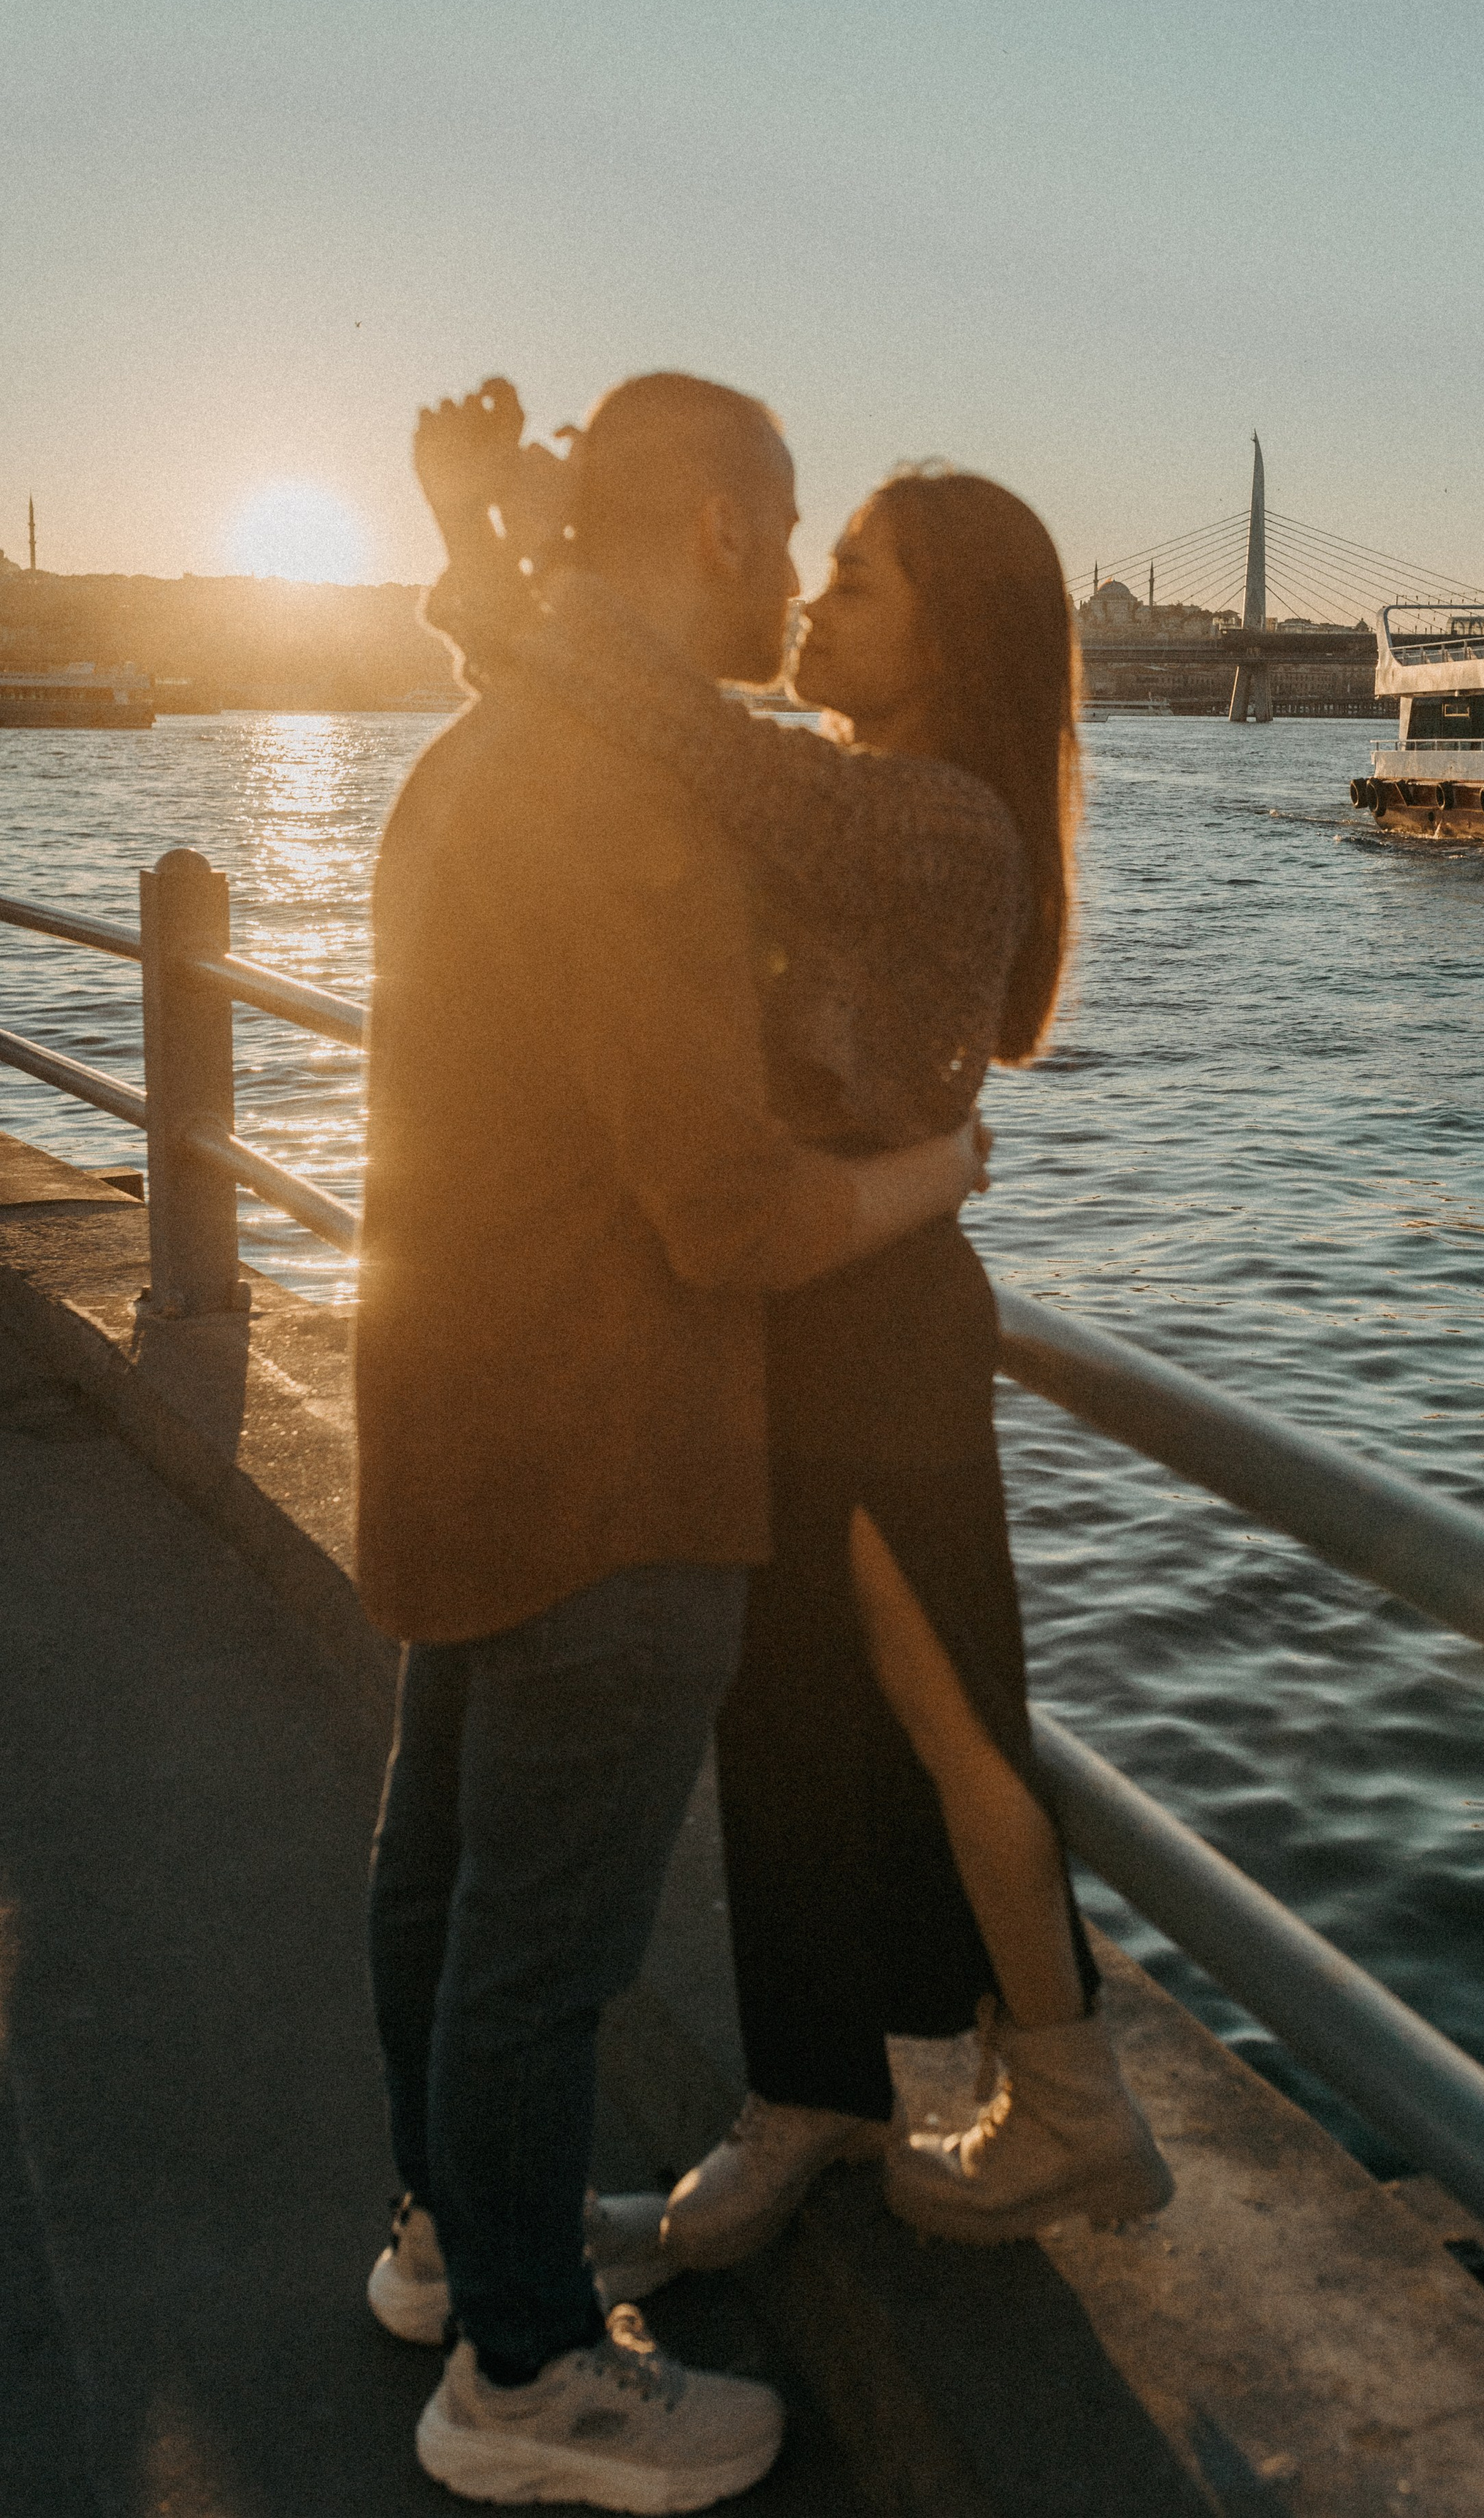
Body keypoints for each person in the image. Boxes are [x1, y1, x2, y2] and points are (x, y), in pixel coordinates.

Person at [424, 416, 1173, 2270]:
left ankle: (1074, 2099)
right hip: (785, 1300)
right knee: (784, 1729)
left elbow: (658, 721)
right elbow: (604, 726)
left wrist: (547, 546)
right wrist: (491, 543)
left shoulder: (934, 817)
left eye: (853, 576)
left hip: (875, 1326)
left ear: (953, 632)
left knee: (942, 1714)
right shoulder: (840, 790)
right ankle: (814, 2091)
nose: (812, 604)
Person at [356, 372, 993, 2514]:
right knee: (537, 1948)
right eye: (786, 528)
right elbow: (728, 1212)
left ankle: (455, 2242)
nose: (793, 574)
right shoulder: (619, 806)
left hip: (452, 1411)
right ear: (721, 526)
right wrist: (936, 1176)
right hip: (607, 1458)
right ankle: (529, 2378)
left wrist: (484, 538)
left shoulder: (487, 755)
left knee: (442, 1885)